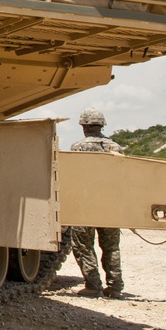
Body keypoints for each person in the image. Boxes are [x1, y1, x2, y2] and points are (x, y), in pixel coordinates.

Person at [70, 107, 125, 299]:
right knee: (111, 247)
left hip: (85, 204)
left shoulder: (78, 147)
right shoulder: (116, 148)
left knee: (83, 246)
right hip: (110, 205)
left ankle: (93, 285)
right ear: (101, 125)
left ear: (84, 126)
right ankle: (115, 286)